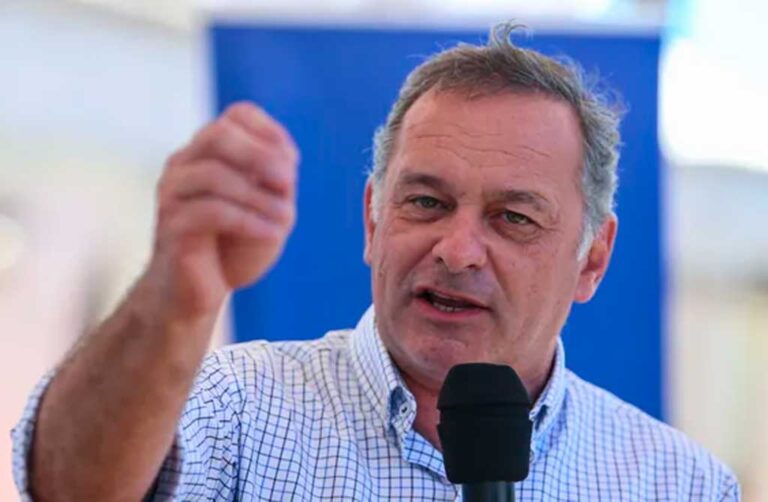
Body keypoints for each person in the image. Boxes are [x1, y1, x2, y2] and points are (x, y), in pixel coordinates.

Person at [13, 23, 739, 501]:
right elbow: (66, 487)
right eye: (425, 202)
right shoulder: (235, 409)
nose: (457, 250)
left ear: (593, 260)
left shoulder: (678, 484)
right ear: (372, 218)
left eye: (513, 218)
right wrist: (174, 297)